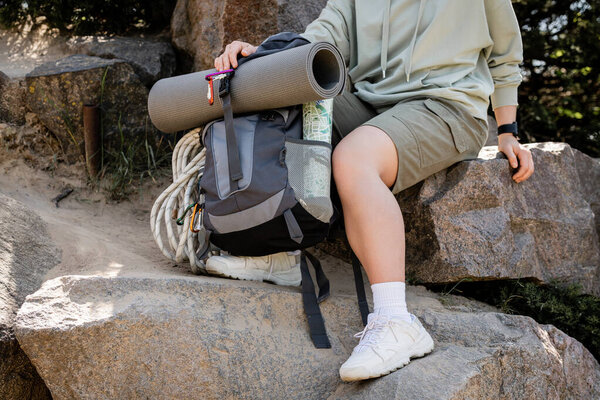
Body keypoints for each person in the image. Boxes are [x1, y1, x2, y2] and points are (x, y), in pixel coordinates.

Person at [209, 0, 533, 382]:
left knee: (353, 159)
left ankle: (397, 321)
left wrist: (508, 131)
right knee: (286, 86)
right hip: (368, 102)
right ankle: (281, 248)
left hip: (448, 106)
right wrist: (261, 56)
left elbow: (505, 53)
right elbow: (320, 40)